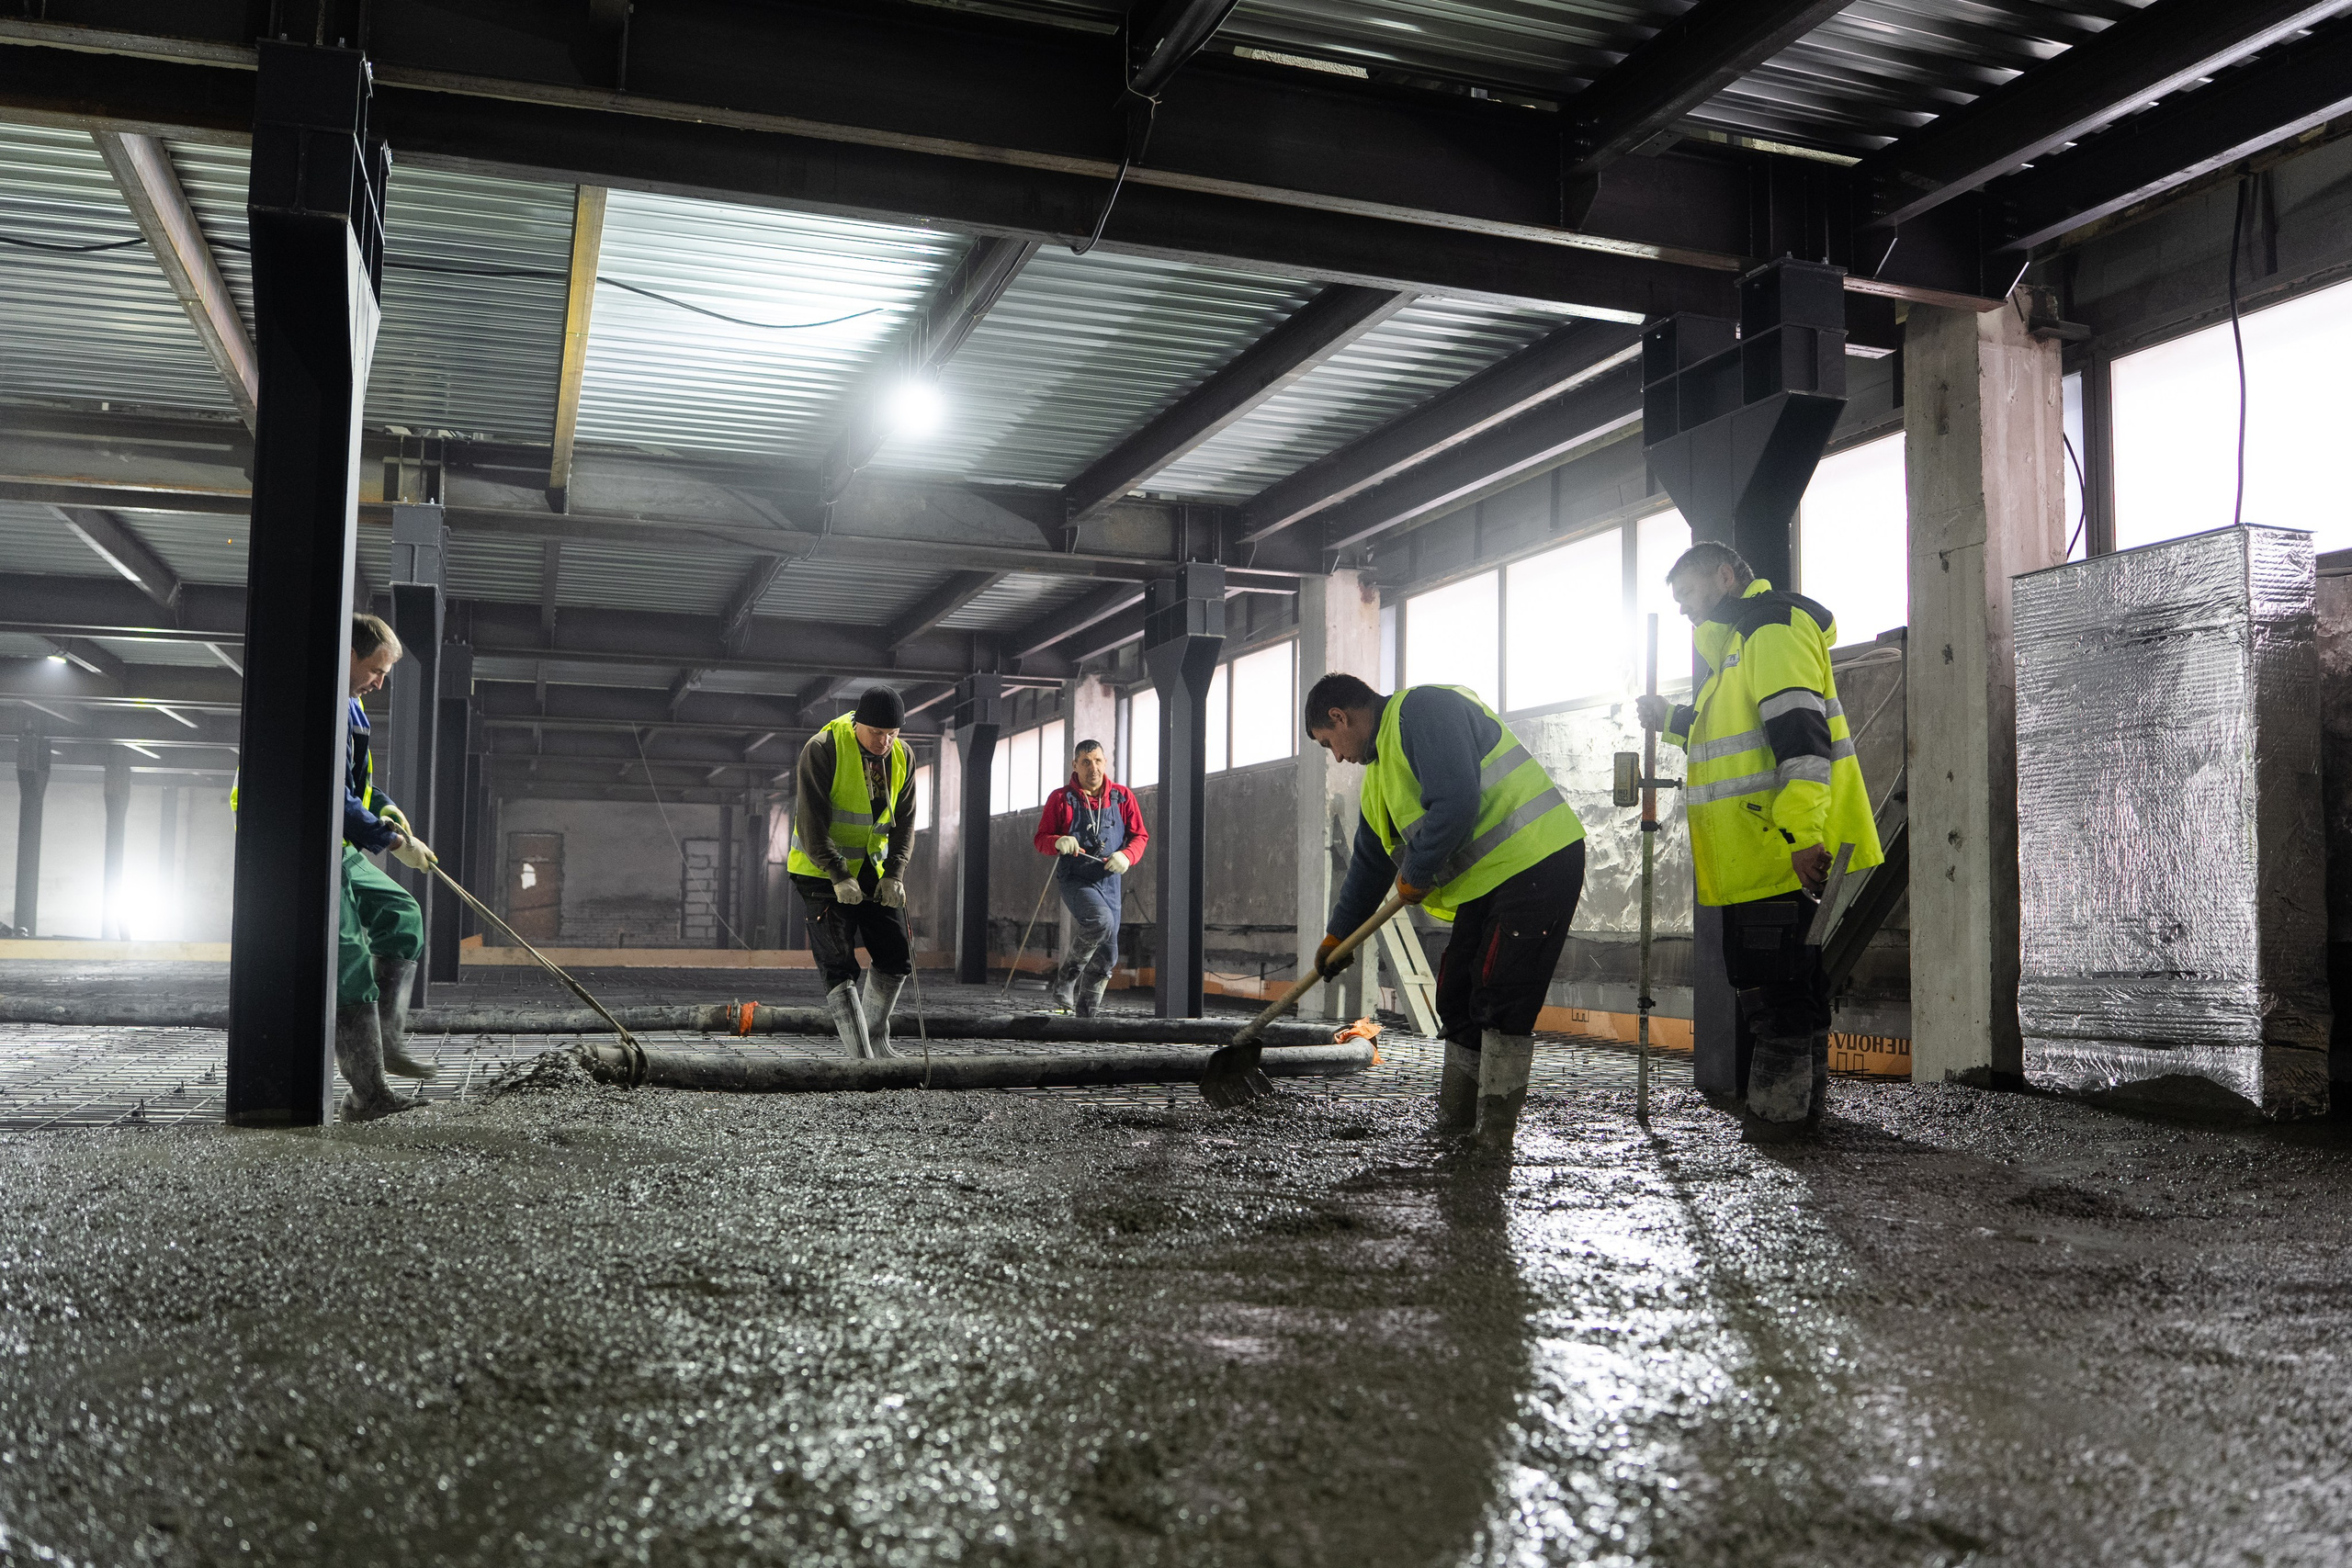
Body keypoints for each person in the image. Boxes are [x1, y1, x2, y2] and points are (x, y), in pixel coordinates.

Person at [1635, 542, 1883, 1142]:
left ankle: (1779, 1124)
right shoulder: (1737, 650)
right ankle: (1800, 1118)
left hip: (1779, 851)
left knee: (1775, 995)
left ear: (1725, 575)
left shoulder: (1770, 630)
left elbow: (1800, 739)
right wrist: (1670, 719)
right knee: (1789, 987)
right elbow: (1732, 731)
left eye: (1689, 593)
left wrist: (1801, 836)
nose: (1684, 610)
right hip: (1759, 854)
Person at [1305, 672, 1585, 1152]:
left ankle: (1494, 1137)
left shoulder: (1424, 710)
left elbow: (1456, 801)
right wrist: (1337, 937)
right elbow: (1368, 869)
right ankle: (1456, 1127)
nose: (1338, 757)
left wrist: (1417, 867)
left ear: (1340, 716)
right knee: (1456, 995)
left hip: (1534, 860)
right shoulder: (1378, 784)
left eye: (1330, 743)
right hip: (1489, 880)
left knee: (1501, 995)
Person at [242, 614, 436, 1122]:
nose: (380, 681)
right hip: (293, 842)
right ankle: (368, 1094)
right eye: (376, 668)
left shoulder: (352, 707)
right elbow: (325, 791)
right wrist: (390, 839)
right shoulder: (311, 702)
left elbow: (354, 791)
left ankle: (388, 1041)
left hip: (339, 840)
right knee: (349, 954)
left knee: (402, 914)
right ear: (349, 653)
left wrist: (388, 810)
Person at [786, 687, 917, 1058]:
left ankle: (876, 1041)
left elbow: (905, 822)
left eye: (892, 733)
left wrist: (895, 873)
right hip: (819, 870)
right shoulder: (823, 748)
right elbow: (811, 822)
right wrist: (838, 874)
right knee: (839, 963)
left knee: (896, 952)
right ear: (857, 722)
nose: (884, 741)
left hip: (872, 868)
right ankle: (860, 1058)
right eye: (876, 732)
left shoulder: (902, 755)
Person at [1031, 737, 1148, 1017]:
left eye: (1097, 761)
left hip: (1109, 881)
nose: (1092, 767)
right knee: (1100, 921)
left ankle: (1086, 1019)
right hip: (1076, 878)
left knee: (1108, 956)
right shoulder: (1061, 799)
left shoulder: (1122, 797)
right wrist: (1058, 841)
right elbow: (1041, 839)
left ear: (1105, 763)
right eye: (1085, 762)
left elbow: (1139, 836)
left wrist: (1127, 855)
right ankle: (1066, 981)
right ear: (1075, 765)